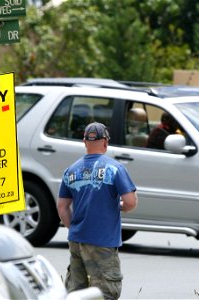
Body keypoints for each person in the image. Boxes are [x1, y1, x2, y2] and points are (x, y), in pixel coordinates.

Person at [57, 122, 138, 300]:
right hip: (102, 242)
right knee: (105, 293)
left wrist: (74, 228)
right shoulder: (114, 168)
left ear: (85, 142)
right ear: (105, 142)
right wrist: (120, 206)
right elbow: (131, 202)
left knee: (76, 293)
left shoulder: (70, 171)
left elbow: (62, 207)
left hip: (77, 240)